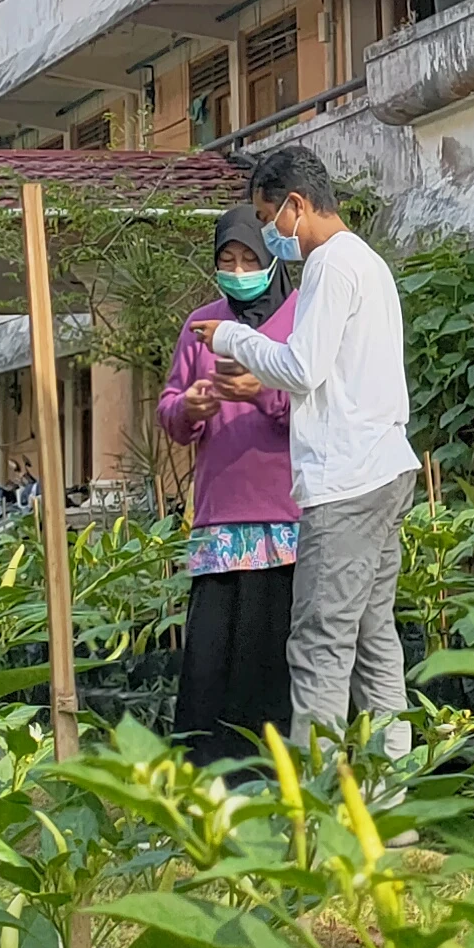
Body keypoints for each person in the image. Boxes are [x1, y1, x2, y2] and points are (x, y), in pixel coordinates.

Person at [208, 150, 418, 758]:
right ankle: (388, 798)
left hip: (346, 482)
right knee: (375, 642)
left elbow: (302, 367)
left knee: (320, 644)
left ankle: (317, 809)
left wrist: (233, 337)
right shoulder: (370, 264)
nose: (272, 235)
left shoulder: (329, 263)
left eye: (269, 219)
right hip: (386, 466)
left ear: (297, 206)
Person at [157, 207, 301, 761]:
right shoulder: (203, 325)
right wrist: (190, 407)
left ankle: (275, 768)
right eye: (227, 260)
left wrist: (260, 392)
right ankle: (209, 770)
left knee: (272, 645)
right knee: (214, 650)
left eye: (250, 259)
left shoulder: (297, 321)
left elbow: (313, 406)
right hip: (220, 515)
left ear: (271, 262)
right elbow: (170, 410)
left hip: (287, 513)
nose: (239, 270)